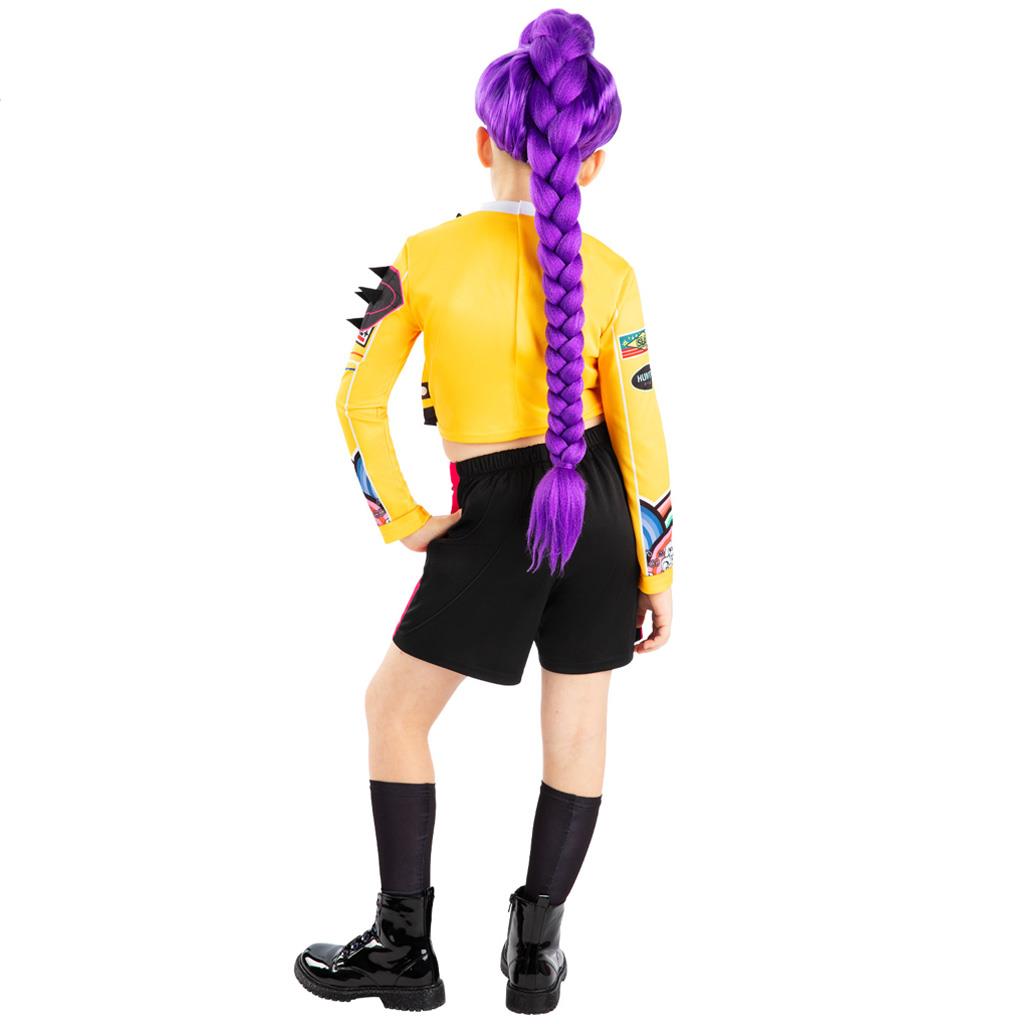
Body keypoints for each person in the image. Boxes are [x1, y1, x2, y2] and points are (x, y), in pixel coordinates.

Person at [293, 8, 673, 1015]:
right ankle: (537, 953)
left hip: (498, 515)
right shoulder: (614, 273)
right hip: (600, 513)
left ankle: (402, 948)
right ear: (593, 162)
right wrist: (659, 568)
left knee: (394, 712)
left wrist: (403, 516)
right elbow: (642, 430)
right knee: (578, 735)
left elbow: (356, 400)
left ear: (481, 141)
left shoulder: (424, 256)